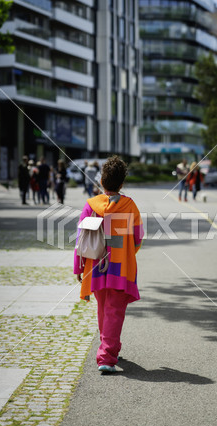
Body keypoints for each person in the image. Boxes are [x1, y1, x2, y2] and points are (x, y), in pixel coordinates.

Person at [73, 156, 144, 373]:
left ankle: (110, 346)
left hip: (95, 266)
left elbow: (81, 239)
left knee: (104, 308)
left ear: (101, 182)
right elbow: (137, 237)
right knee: (115, 310)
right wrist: (125, 252)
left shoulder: (91, 205)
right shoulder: (130, 206)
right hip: (120, 266)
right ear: (121, 183)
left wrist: (79, 266)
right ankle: (106, 355)